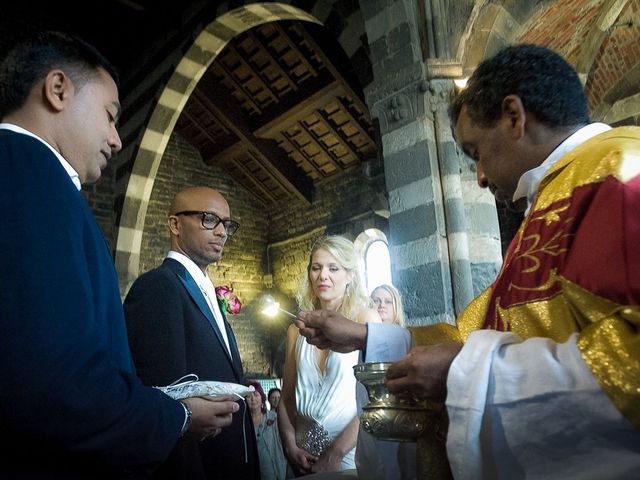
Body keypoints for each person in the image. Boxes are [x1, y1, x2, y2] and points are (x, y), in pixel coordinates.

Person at [295, 44, 640, 479]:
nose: (478, 176)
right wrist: (365, 335)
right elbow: (476, 333)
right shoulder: (551, 199)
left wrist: (465, 374)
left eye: (476, 152)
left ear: (514, 117)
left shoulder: (621, 172)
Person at [0, 31, 238, 478]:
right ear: (58, 89)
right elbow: (56, 386)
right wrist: (179, 417)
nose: (116, 139)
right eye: (110, 116)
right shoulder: (32, 180)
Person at [123, 186, 260, 479]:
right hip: (198, 462)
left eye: (227, 224)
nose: (222, 231)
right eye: (209, 219)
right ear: (175, 224)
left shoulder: (206, 291)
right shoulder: (159, 286)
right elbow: (166, 396)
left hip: (231, 457)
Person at [278, 235, 381, 476]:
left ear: (350, 276)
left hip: (349, 457)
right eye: (316, 267)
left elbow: (376, 400)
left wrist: (335, 453)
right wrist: (290, 445)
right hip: (301, 459)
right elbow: (286, 399)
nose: (323, 275)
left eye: (333, 268)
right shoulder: (296, 330)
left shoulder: (365, 321)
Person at [354, 284, 415, 480]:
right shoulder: (361, 343)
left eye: (388, 301)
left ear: (396, 307)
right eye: (376, 300)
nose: (381, 305)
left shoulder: (406, 339)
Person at [247, 380, 289, 480]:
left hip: (275, 471)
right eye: (248, 396)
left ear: (262, 398)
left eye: (256, 395)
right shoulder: (242, 424)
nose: (253, 399)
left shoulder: (275, 418)